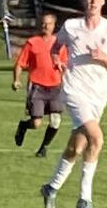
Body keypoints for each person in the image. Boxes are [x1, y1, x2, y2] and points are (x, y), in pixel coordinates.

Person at [39, 0, 107, 208]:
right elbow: (56, 47)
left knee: (76, 147)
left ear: (104, 1)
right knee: (96, 138)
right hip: (74, 90)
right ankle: (84, 199)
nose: (93, 2)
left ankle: (51, 188)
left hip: (98, 95)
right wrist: (57, 58)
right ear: (83, 0)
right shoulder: (71, 26)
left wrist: (102, 58)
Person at [12, 12, 68, 158]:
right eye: (43, 23)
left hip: (56, 87)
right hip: (37, 87)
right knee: (36, 123)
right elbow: (20, 64)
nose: (45, 26)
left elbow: (67, 64)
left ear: (54, 25)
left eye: (48, 23)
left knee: (55, 121)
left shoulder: (60, 44)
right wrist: (17, 79)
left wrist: (63, 66)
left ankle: (43, 148)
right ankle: (24, 126)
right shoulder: (32, 43)